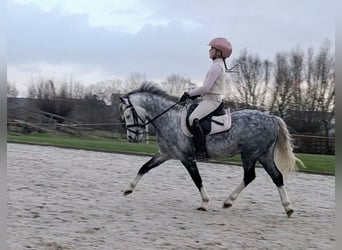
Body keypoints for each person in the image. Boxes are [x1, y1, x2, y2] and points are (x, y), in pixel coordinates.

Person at [180, 37, 232, 160]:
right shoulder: (216, 65)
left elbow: (206, 87)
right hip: (208, 99)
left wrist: (189, 94)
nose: (209, 51)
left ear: (218, 52)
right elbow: (207, 88)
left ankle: (201, 151)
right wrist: (196, 94)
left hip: (212, 101)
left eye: (212, 48)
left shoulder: (217, 67)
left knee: (193, 118)